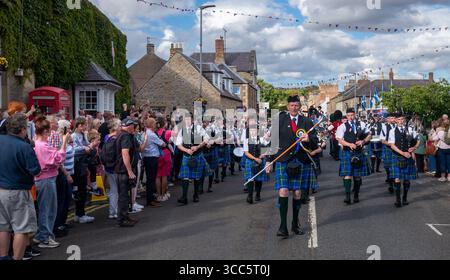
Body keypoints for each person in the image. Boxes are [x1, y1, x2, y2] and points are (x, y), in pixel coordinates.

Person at [265, 95, 319, 238]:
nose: (294, 108)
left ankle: (295, 224)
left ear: (300, 106)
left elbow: (315, 141)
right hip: (283, 160)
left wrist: (308, 139)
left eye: (296, 105)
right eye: (291, 105)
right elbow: (274, 142)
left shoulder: (306, 121)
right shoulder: (279, 121)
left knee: (297, 194)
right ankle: (283, 226)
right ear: (288, 106)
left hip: (300, 160)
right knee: (283, 191)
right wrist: (269, 160)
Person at [0, 114, 41, 260]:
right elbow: (35, 170)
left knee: (3, 227)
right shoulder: (24, 146)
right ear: (23, 129)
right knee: (21, 229)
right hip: (17, 191)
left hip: (1, 189)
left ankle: (3, 257)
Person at [33, 116, 69, 248]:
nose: (50, 134)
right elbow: (57, 159)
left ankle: (41, 235)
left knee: (46, 209)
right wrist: (64, 142)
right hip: (46, 179)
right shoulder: (42, 145)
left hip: (45, 179)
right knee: (48, 210)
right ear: (44, 132)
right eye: (48, 132)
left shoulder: (39, 144)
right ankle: (45, 238)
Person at [335, 108, 372, 205]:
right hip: (347, 152)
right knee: (347, 175)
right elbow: (339, 139)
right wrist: (349, 144)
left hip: (359, 152)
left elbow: (369, 135)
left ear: (355, 115)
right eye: (348, 115)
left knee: (357, 176)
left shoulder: (361, 124)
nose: (350, 117)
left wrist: (363, 141)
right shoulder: (342, 126)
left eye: (352, 115)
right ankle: (347, 196)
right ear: (346, 116)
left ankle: (356, 195)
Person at [175, 114, 209, 205]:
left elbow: (206, 139)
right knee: (185, 177)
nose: (187, 121)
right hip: (186, 156)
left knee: (197, 177)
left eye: (189, 119)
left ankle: (196, 195)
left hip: (197, 155)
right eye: (186, 120)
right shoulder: (182, 130)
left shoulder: (199, 128)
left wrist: (197, 147)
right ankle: (184, 197)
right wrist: (186, 150)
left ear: (192, 120)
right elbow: (178, 144)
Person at [388, 113, 420, 207]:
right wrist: (402, 153)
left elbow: (418, 140)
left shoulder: (410, 129)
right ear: (396, 121)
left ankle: (405, 197)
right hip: (397, 156)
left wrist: (414, 147)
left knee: (406, 179)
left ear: (404, 120)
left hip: (408, 157)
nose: (401, 121)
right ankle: (398, 199)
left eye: (402, 119)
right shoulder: (392, 131)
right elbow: (392, 145)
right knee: (397, 178)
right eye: (399, 119)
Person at [115, 117, 140, 227]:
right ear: (129, 126)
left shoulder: (125, 135)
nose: (134, 127)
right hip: (123, 171)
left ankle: (125, 217)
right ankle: (122, 219)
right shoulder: (125, 136)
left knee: (125, 195)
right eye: (133, 125)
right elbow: (125, 154)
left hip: (122, 170)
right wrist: (130, 171)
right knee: (123, 196)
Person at [71, 117, 96, 224]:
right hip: (77, 167)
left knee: (82, 190)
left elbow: (87, 147)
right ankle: (80, 215)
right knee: (79, 191)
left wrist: (89, 146)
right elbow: (74, 150)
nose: (86, 127)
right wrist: (87, 148)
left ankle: (79, 213)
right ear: (79, 125)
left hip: (83, 166)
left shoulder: (82, 135)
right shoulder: (73, 136)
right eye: (85, 125)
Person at [243, 118, 269, 204]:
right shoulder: (246, 139)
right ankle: (250, 195)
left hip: (260, 160)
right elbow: (246, 152)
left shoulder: (261, 138)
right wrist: (255, 159)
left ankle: (258, 194)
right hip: (250, 160)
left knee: (258, 179)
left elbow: (266, 149)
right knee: (250, 178)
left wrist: (262, 155)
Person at [142, 118, 165, 207]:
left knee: (150, 179)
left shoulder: (146, 132)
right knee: (151, 179)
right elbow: (162, 144)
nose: (156, 125)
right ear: (151, 124)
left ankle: (150, 198)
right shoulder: (151, 134)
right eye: (154, 123)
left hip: (147, 157)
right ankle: (150, 200)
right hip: (152, 158)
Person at [101, 118, 122, 219]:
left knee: (113, 190)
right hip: (116, 168)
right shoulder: (117, 139)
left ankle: (112, 212)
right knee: (118, 190)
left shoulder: (106, 137)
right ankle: (117, 211)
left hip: (108, 167)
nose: (121, 127)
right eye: (119, 126)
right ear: (115, 127)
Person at [156, 117, 173, 200]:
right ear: (164, 123)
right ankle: (163, 194)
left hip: (157, 154)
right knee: (165, 175)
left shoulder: (154, 132)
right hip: (166, 153)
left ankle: (158, 195)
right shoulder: (168, 132)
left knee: (158, 176)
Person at [381, 113, 397, 193]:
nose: (393, 119)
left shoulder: (398, 126)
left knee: (395, 167)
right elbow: (382, 140)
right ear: (387, 119)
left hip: (397, 150)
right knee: (388, 167)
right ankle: (390, 181)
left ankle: (394, 182)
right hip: (389, 149)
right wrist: (391, 144)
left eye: (394, 118)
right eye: (391, 118)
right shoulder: (384, 127)